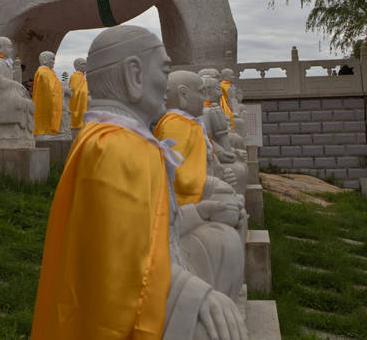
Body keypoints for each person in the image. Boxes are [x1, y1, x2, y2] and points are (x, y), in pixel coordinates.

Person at [32, 25, 246, 339]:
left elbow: (156, 233)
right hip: (122, 311)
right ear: (134, 74)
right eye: (164, 70)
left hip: (156, 277)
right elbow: (123, 270)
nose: (167, 86)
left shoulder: (128, 142)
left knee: (222, 243)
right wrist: (196, 294)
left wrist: (205, 211)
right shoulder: (112, 148)